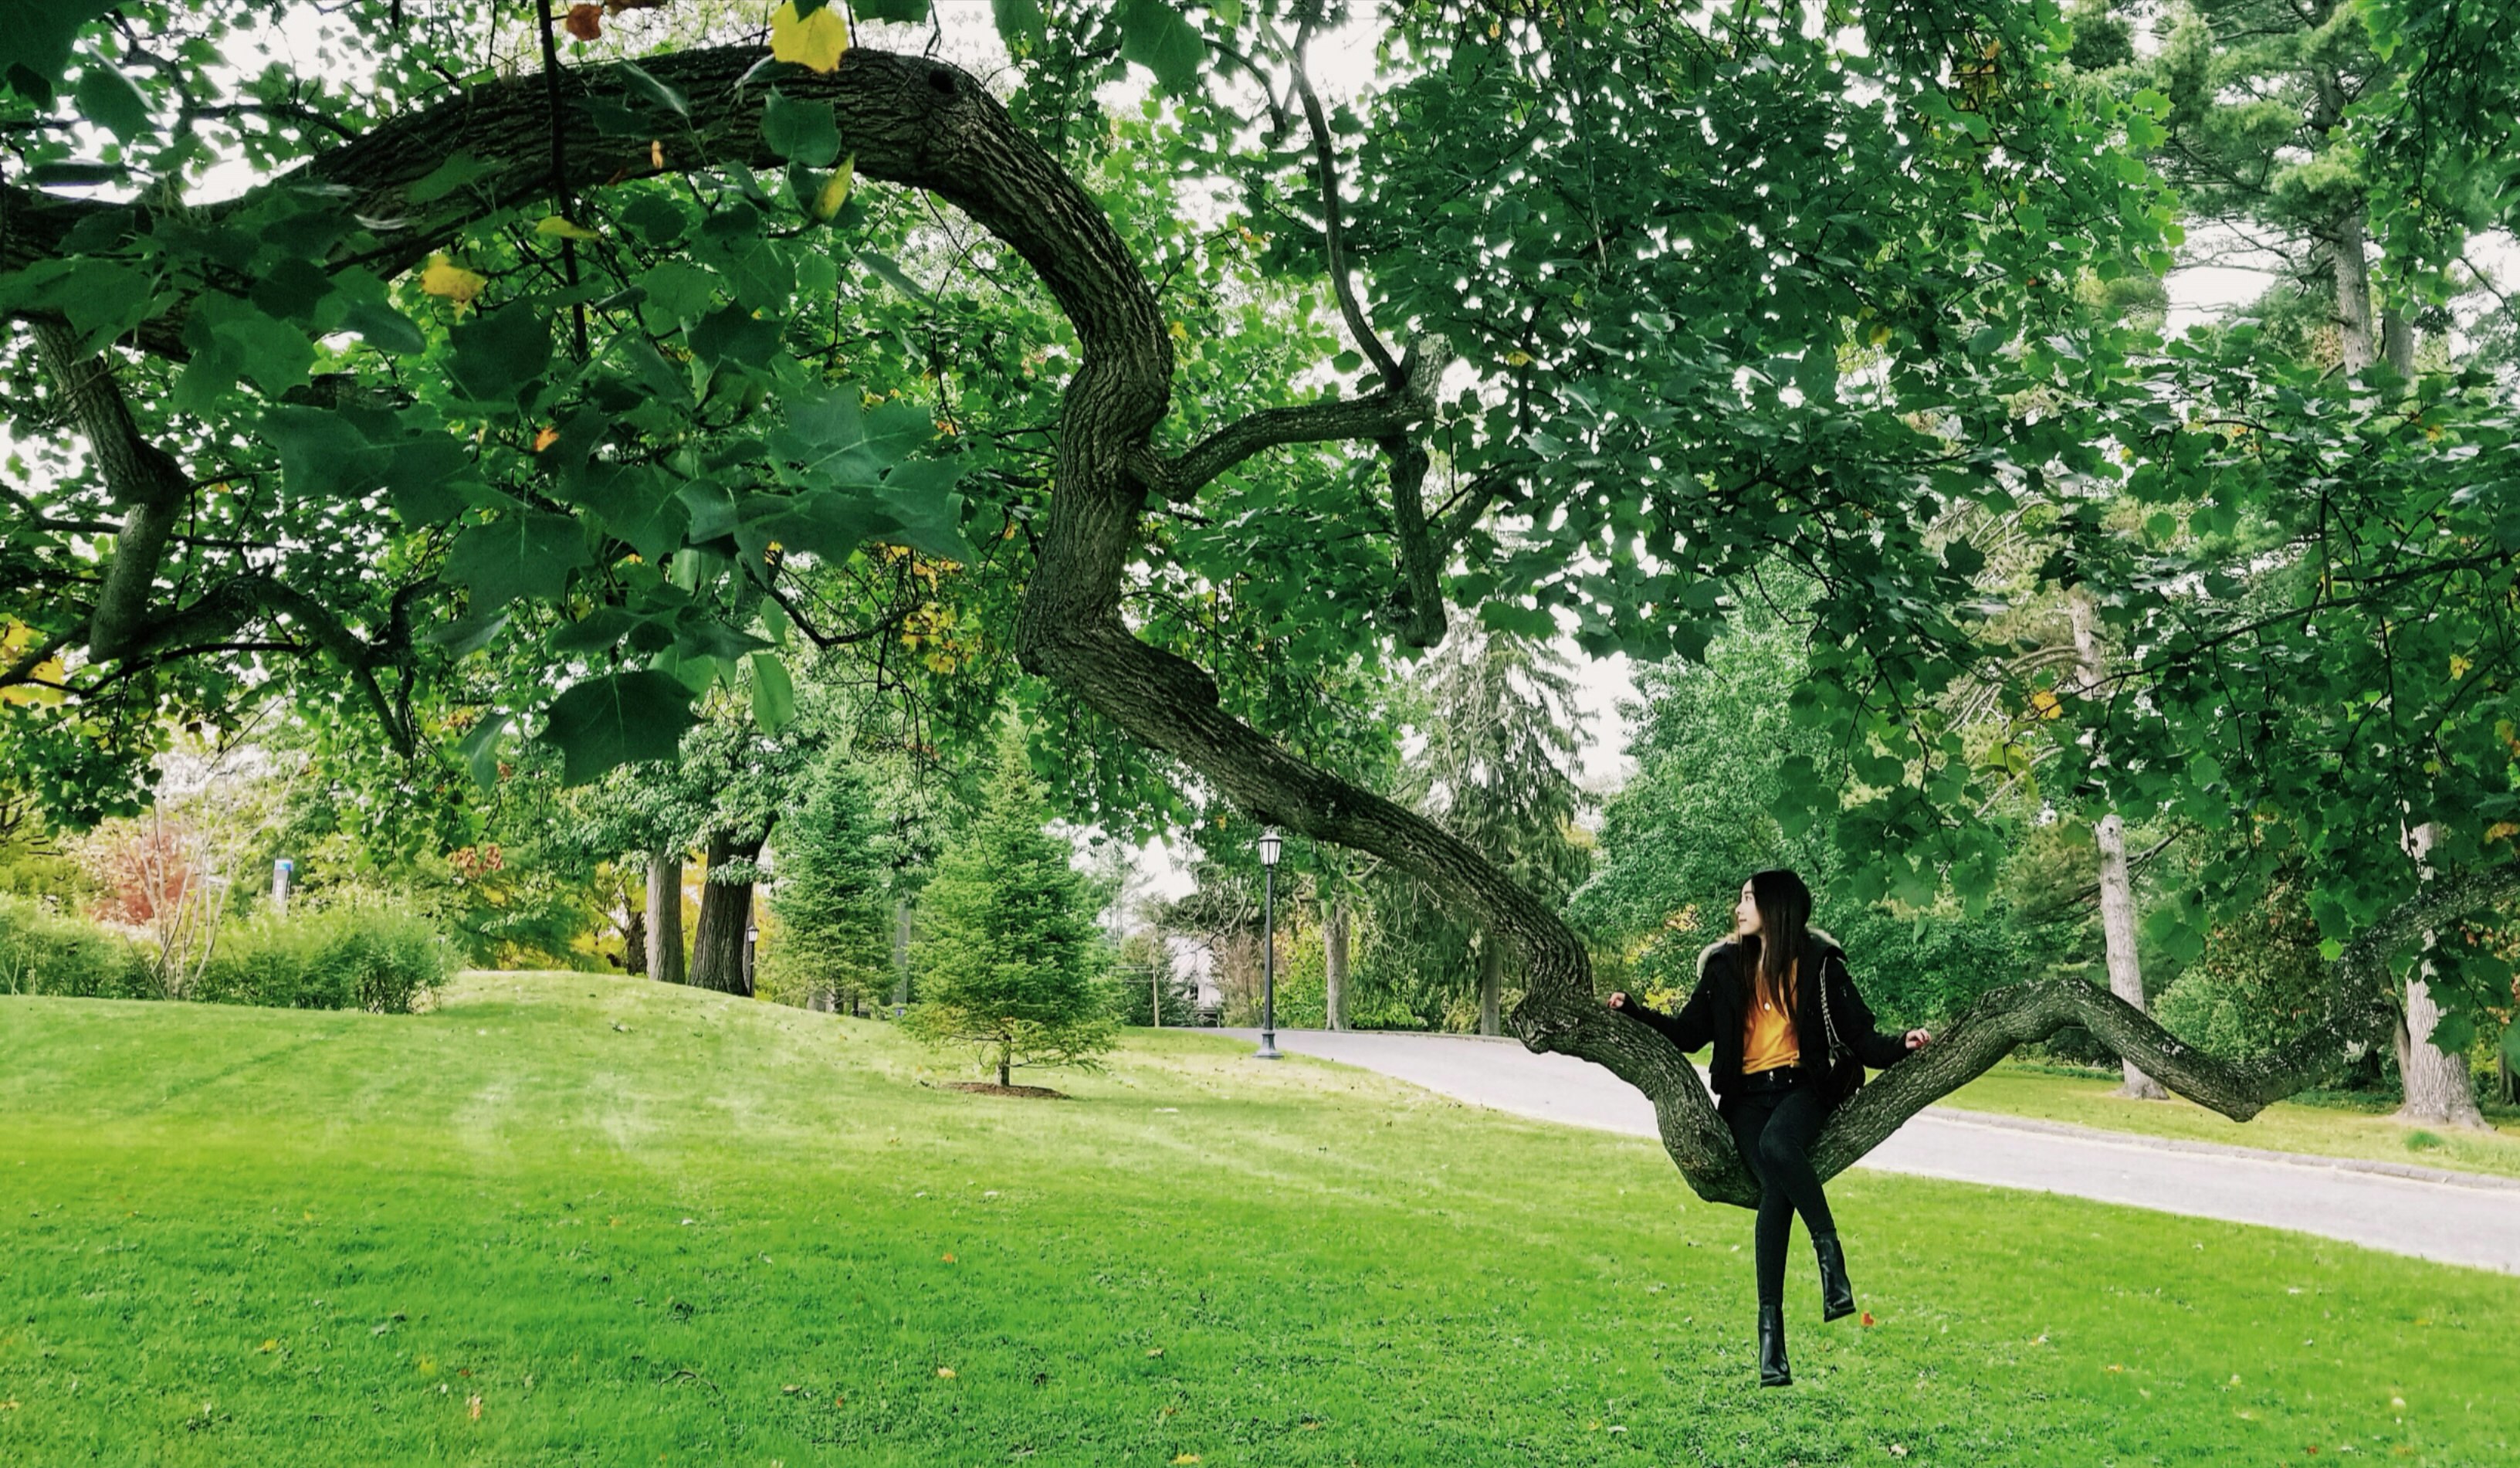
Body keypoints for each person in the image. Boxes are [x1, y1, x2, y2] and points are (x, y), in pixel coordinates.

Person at [1607, 869, 1930, 1387]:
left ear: (1776, 905)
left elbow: (1862, 1036)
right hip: (1745, 1100)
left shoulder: (1820, 964)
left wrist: (1903, 1045)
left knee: (1781, 1146)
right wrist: (1638, 1013)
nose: (1739, 907)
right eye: (1739, 897)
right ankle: (1775, 1333)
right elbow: (1691, 1034)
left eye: (1749, 898)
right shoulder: (1722, 966)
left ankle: (1824, 1269)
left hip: (1804, 1089)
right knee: (1775, 1189)